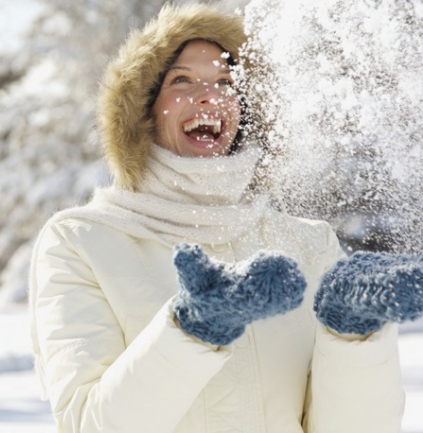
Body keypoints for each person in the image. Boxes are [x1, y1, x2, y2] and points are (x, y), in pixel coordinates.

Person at [29, 4, 418, 433]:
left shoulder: (310, 245)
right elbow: (89, 424)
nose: (209, 96)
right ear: (141, 109)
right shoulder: (81, 242)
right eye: (182, 80)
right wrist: (191, 329)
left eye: (225, 82)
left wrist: (354, 337)